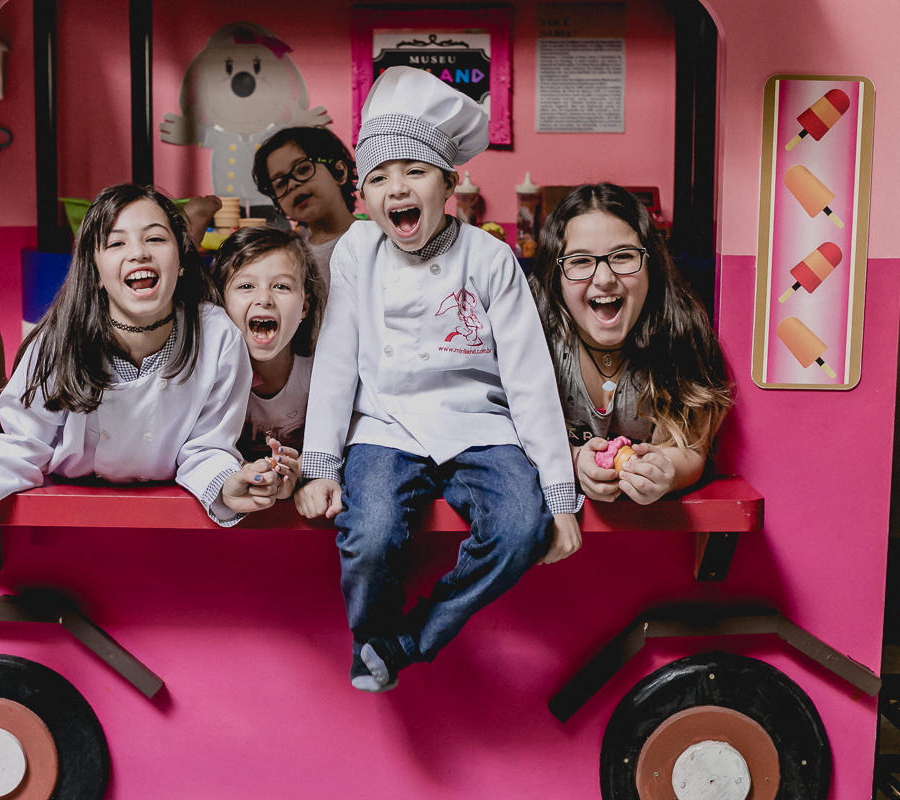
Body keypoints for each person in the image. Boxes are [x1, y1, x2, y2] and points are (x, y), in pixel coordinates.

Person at [294, 67, 582, 693]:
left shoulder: (489, 255)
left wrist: (560, 496)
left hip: (479, 422)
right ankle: (370, 639)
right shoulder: (354, 252)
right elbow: (337, 358)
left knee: (519, 528)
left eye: (415, 171)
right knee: (368, 535)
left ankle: (409, 642)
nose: (396, 187)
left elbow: (530, 377)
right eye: (378, 177)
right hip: (385, 423)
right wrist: (319, 465)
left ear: (449, 182)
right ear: (363, 197)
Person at [0, 184, 280, 527]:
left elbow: (207, 448)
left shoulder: (217, 335)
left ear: (183, 263)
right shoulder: (58, 341)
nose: (138, 252)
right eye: (116, 243)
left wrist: (229, 485)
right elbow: (21, 450)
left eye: (155, 238)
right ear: (95, 273)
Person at [528, 183, 732, 505]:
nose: (605, 278)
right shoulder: (535, 338)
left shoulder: (680, 336)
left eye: (623, 256)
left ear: (651, 264)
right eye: (581, 261)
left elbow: (689, 449)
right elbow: (504, 436)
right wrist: (571, 460)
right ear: (557, 277)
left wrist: (669, 472)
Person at [212, 226, 328, 498]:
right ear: (222, 302)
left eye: (281, 286)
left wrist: (301, 471)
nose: (264, 299)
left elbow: (345, 447)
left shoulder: (321, 374)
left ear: (305, 306)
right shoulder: (211, 378)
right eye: (246, 286)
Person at [252, 126, 358, 287]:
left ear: (339, 172)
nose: (293, 184)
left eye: (303, 169)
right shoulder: (288, 255)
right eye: (280, 183)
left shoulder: (380, 239)